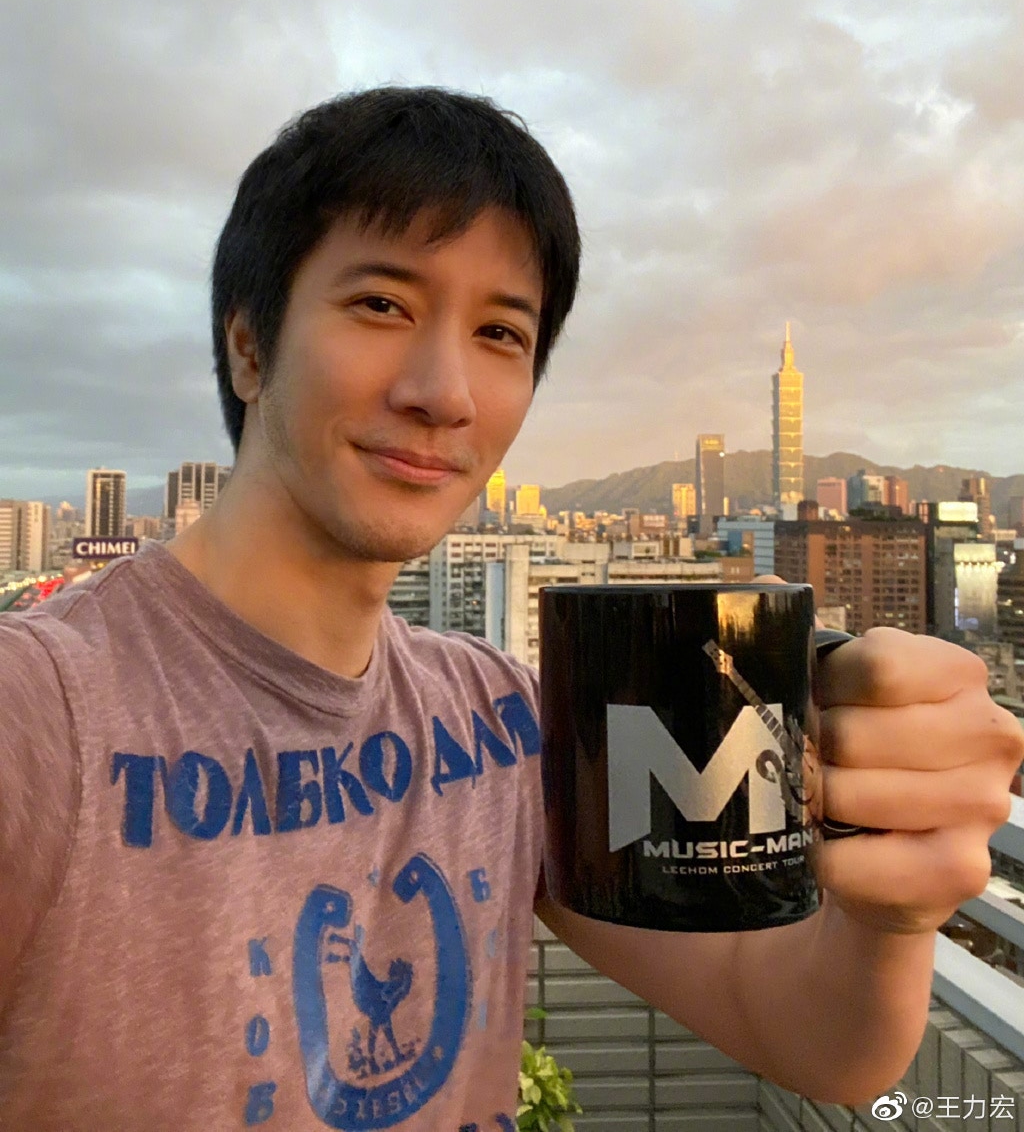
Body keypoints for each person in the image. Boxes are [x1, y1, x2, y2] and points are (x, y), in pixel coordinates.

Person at [0, 86, 1020, 1132]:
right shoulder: (42, 715)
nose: (445, 392)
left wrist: (889, 915)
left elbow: (806, 1033)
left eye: (499, 330)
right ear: (249, 345)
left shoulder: (499, 722)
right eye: (382, 304)